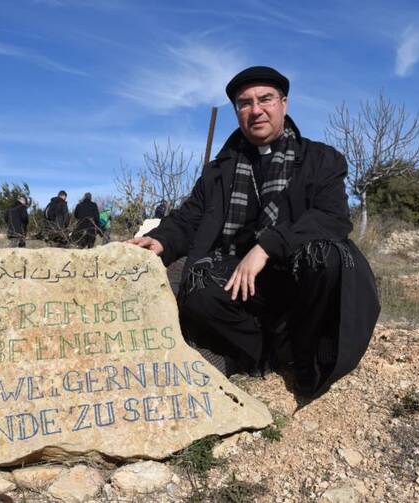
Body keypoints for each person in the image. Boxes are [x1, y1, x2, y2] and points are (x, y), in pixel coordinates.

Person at [129, 66, 380, 397]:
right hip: (241, 279)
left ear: (284, 104)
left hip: (295, 275)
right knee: (198, 292)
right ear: (237, 111)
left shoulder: (320, 159)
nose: (256, 110)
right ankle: (266, 355)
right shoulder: (219, 170)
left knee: (327, 257)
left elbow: (331, 217)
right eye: (245, 103)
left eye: (265, 99)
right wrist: (159, 240)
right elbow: (190, 218)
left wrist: (266, 247)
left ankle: (307, 355)